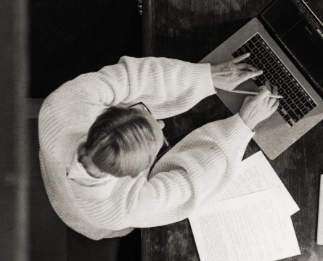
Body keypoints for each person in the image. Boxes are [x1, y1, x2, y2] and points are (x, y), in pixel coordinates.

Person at [38, 53, 280, 240]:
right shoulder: (120, 209)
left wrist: (205, 77)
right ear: (138, 173)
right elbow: (191, 183)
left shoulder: (60, 105)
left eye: (143, 113)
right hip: (88, 219)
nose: (161, 123)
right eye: (159, 138)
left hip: (57, 167)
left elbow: (131, 76)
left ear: (107, 116)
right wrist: (243, 124)